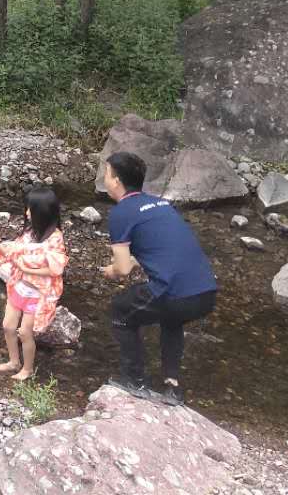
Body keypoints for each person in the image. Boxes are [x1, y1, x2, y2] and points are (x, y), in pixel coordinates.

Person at [101, 151, 219, 405]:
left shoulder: (121, 212)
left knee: (120, 310)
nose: (105, 179)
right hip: (206, 292)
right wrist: (131, 261)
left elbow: (123, 269)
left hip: (174, 294)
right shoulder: (161, 204)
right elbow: (161, 250)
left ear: (117, 181)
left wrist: (112, 270)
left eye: (107, 174)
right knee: (171, 320)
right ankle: (172, 387)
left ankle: (134, 381)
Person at [0, 185, 67, 382]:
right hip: (19, 287)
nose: (26, 213)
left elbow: (55, 269)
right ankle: (13, 361)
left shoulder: (55, 238)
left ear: (42, 212)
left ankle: (27, 369)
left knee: (25, 333)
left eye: (30, 209)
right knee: (8, 326)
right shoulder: (30, 232)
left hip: (37, 294)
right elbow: (14, 253)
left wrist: (27, 269)